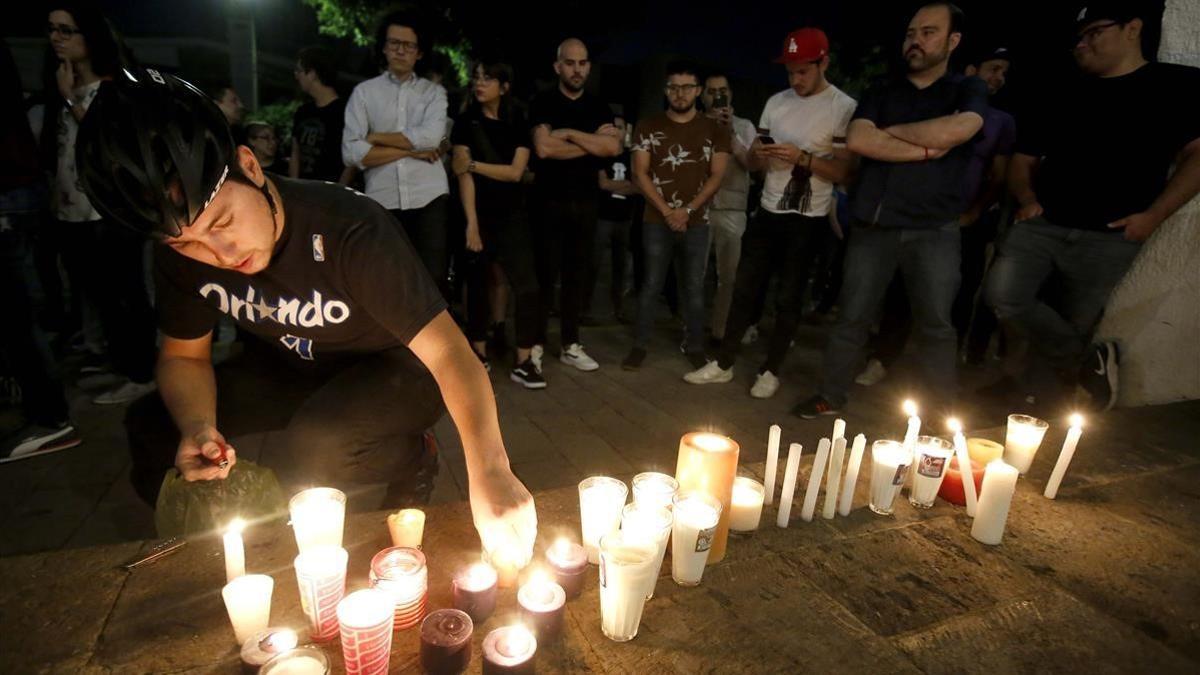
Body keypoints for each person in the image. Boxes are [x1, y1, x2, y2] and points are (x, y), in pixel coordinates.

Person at [77, 69, 537, 563]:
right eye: (186, 243)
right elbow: (184, 356)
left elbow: (449, 351)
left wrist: (489, 469)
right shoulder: (181, 257)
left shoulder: (347, 228)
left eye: (223, 221)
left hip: (396, 370)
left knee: (317, 445)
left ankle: (414, 457)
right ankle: (207, 552)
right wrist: (197, 426)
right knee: (151, 425)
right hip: (290, 364)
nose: (220, 252)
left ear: (249, 166)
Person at [984, 0, 1200, 411]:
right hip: (1043, 223)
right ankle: (1087, 362)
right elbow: (1023, 159)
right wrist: (1028, 200)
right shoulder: (1062, 87)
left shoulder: (1175, 87)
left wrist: (1154, 216)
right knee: (1003, 294)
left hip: (1112, 236)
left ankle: (1037, 405)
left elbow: (1197, 156)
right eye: (1078, 38)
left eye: (1093, 33)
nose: (1082, 44)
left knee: (1075, 319)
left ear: (1133, 29)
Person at [795, 3, 988, 418]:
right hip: (874, 225)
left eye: (929, 32)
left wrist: (891, 136)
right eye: (910, 33)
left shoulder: (965, 90)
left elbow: (963, 128)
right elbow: (860, 140)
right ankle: (831, 393)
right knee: (852, 316)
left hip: (934, 228)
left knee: (936, 324)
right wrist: (925, 148)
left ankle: (942, 413)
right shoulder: (883, 88)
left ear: (953, 41)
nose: (915, 41)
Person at [684, 28, 855, 400]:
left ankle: (771, 368)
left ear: (823, 63)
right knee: (744, 287)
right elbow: (754, 159)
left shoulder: (842, 107)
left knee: (789, 296)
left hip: (807, 217)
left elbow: (844, 172)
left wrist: (803, 158)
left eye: (803, 71)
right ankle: (724, 362)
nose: (795, 79)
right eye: (790, 71)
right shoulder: (776, 102)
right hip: (767, 208)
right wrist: (759, 156)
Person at [856, 44, 1016, 386]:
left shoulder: (1001, 121)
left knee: (950, 300)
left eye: (1004, 71)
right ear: (971, 70)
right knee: (898, 292)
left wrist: (974, 211)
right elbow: (865, 140)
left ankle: (943, 382)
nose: (998, 77)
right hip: (919, 215)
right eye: (993, 68)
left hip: (963, 219)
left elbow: (998, 175)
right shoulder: (940, 100)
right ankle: (883, 357)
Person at [40, 1, 158, 406]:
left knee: (126, 292)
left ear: (90, 38)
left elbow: (111, 143)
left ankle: (142, 373)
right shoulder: (62, 82)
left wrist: (70, 100)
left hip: (112, 211)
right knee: (100, 296)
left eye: (66, 30)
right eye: (52, 29)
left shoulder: (115, 87)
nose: (56, 37)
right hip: (73, 211)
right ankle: (121, 364)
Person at [1, 39, 81, 462]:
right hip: (21, 195)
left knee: (17, 315)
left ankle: (49, 419)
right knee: (20, 312)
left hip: (10, 197)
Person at [621, 60, 730, 371]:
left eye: (686, 87)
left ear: (697, 91)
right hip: (656, 219)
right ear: (666, 90)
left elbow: (716, 175)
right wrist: (669, 211)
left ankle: (695, 345)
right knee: (651, 282)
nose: (679, 94)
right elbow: (639, 173)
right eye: (673, 87)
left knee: (695, 286)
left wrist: (688, 210)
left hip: (697, 221)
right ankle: (639, 345)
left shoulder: (714, 130)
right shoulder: (648, 125)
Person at [451, 59, 547, 389]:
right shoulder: (465, 122)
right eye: (477, 77)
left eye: (488, 78)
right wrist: (471, 225)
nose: (480, 83)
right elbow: (463, 177)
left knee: (528, 286)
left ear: (504, 86)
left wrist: (475, 164)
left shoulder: (518, 121)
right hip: (477, 212)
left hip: (513, 214)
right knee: (477, 282)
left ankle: (523, 359)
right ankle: (478, 352)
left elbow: (515, 173)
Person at [529, 38, 621, 372]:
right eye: (570, 63)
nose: (577, 69)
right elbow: (544, 150)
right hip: (547, 202)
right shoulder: (542, 102)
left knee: (576, 276)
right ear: (558, 67)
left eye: (582, 63)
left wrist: (566, 133)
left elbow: (612, 150)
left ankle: (570, 343)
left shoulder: (599, 107)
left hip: (586, 203)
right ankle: (535, 343)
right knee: (544, 275)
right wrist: (592, 143)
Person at [343, 11, 451, 294]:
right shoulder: (364, 93)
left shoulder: (433, 93)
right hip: (383, 196)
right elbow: (352, 152)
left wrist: (376, 138)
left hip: (429, 194)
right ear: (383, 47)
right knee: (386, 279)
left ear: (419, 52)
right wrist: (410, 152)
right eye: (394, 43)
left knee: (433, 278)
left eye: (409, 45)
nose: (401, 50)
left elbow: (430, 137)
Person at [699, 72, 757, 343]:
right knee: (694, 275)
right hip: (699, 205)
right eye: (711, 91)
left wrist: (730, 131)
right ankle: (693, 330)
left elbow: (751, 164)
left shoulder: (745, 126)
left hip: (732, 207)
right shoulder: (695, 123)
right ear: (702, 94)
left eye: (721, 90)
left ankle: (720, 332)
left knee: (729, 277)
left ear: (730, 93)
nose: (716, 96)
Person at [588, 112, 638, 324]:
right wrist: (626, 186)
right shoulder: (600, 155)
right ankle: (584, 308)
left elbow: (639, 185)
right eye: (612, 127)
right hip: (603, 217)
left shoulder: (631, 156)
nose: (616, 131)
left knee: (621, 267)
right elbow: (602, 184)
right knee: (593, 265)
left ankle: (618, 308)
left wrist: (615, 185)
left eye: (620, 127)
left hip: (624, 218)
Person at [290, 46, 353, 184]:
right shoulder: (302, 112)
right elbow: (296, 153)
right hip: (303, 192)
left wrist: (340, 192)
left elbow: (352, 160)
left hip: (331, 193)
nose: (296, 75)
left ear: (312, 74)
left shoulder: (346, 112)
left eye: (299, 70)